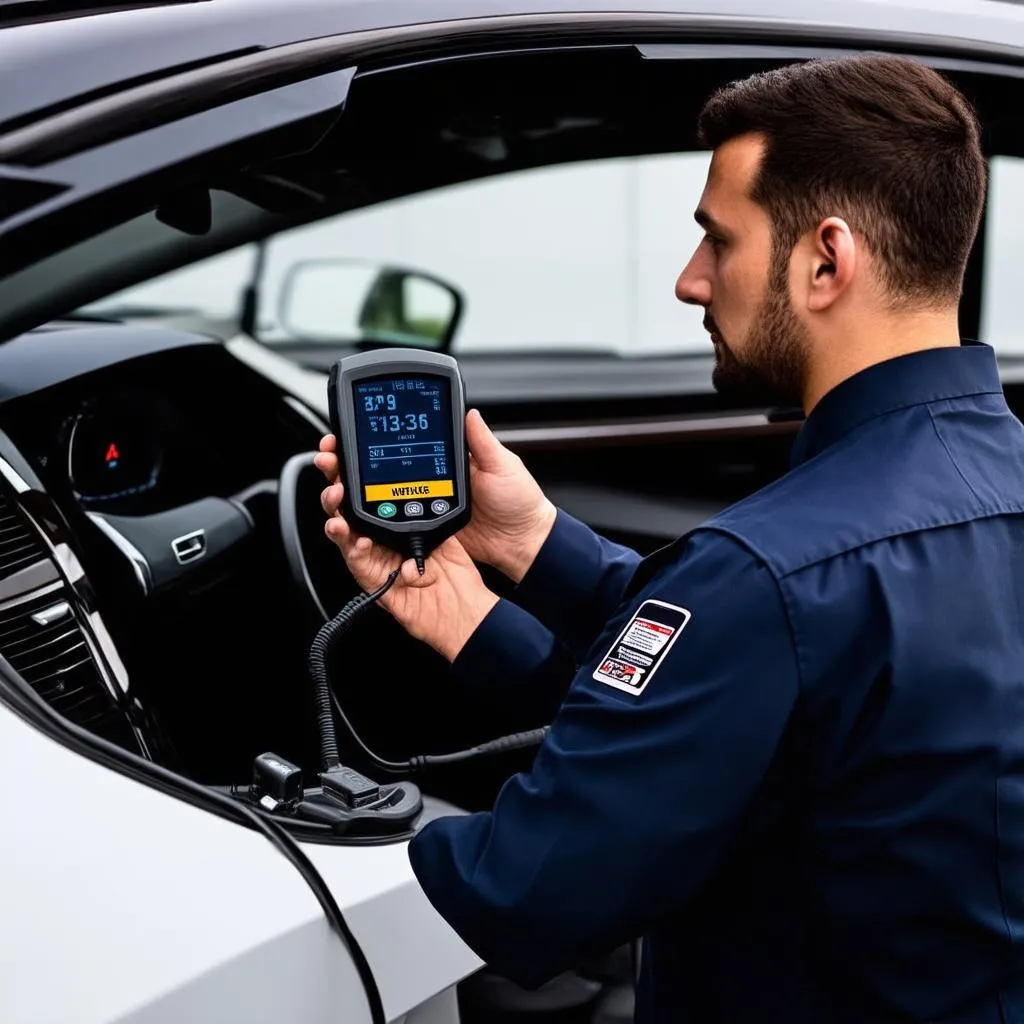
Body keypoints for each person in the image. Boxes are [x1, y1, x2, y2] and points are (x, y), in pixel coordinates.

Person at [315, 54, 1024, 1022]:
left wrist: (293, 833)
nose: (692, 282)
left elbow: (527, 887)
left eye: (716, 241)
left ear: (826, 261)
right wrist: (520, 561)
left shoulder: (767, 578)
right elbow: (734, 697)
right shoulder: (937, 516)